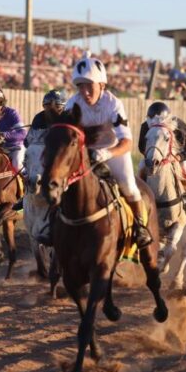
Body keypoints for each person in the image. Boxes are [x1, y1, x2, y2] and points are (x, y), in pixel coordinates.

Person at [60, 51, 153, 247]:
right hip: (85, 154)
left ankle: (140, 227)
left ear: (102, 84)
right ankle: (53, 228)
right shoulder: (72, 103)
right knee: (60, 185)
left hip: (113, 152)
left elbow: (126, 142)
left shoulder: (113, 104)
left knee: (129, 186)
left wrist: (106, 153)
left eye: (89, 85)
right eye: (80, 86)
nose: (84, 91)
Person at [138, 101, 186, 212]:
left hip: (177, 153)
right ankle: (138, 196)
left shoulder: (179, 125)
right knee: (141, 166)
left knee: (185, 167)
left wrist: (177, 157)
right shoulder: (145, 126)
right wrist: (154, 156)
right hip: (157, 154)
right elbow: (141, 146)